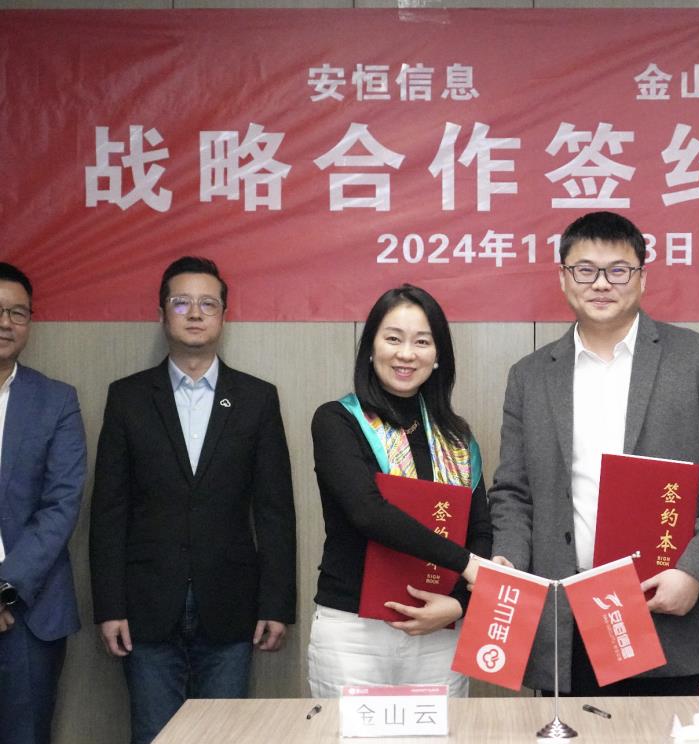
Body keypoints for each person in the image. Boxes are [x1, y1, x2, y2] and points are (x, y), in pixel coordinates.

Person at [488, 211, 699, 695]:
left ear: (642, 279)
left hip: (671, 605)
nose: (601, 283)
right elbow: (512, 490)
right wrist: (507, 558)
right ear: (563, 278)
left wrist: (693, 571)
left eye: (618, 270)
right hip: (569, 614)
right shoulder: (530, 375)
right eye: (585, 269)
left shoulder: (697, 360)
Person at [89, 256, 296, 744]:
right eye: (182, 303)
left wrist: (276, 604)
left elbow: (274, 511)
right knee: (154, 736)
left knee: (223, 738)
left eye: (208, 303)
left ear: (224, 315)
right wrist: (109, 606)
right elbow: (108, 511)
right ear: (162, 313)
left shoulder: (256, 398)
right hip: (145, 607)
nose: (196, 313)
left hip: (230, 606)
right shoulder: (128, 397)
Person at [308, 284, 491, 699]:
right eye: (393, 338)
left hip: (439, 628)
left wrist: (460, 604)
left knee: (442, 732)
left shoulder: (457, 439)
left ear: (438, 355)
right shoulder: (337, 421)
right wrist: (466, 564)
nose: (406, 354)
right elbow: (368, 512)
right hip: (353, 633)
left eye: (421, 342)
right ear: (370, 348)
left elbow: (480, 528)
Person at [0, 263, 86, 744]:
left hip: (28, 612)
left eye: (18, 313)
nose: (6, 323)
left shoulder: (56, 400)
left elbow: (61, 503)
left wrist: (3, 587)